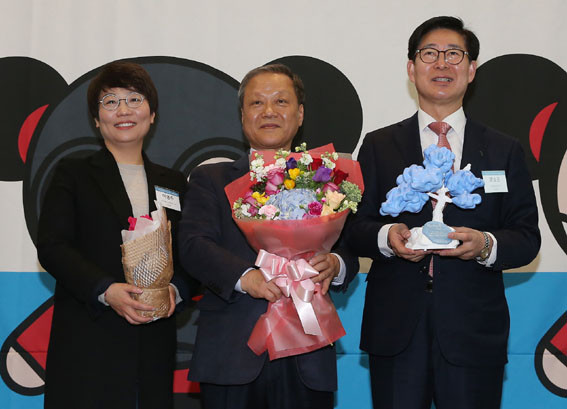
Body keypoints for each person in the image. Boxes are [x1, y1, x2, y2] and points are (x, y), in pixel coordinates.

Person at [346, 16, 540, 409]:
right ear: (411, 68)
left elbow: (526, 236)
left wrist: (485, 244)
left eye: (454, 54)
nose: (441, 63)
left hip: (473, 329)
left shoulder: (503, 149)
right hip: (397, 327)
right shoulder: (379, 145)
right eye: (429, 54)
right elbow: (353, 227)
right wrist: (387, 237)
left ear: (471, 70)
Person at [177, 63, 359, 409]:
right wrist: (246, 278)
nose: (269, 111)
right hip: (233, 353)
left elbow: (349, 248)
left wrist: (336, 264)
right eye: (257, 103)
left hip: (308, 350)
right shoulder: (212, 179)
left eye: (281, 101)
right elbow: (192, 245)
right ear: (243, 115)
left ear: (300, 114)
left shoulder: (328, 181)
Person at [37, 61, 190, 409]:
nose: (123, 110)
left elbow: (190, 253)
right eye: (110, 101)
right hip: (89, 340)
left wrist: (175, 291)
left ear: (152, 114)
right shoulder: (73, 173)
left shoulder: (174, 183)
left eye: (134, 99)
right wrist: (106, 290)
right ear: (96, 119)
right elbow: (52, 246)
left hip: (154, 344)